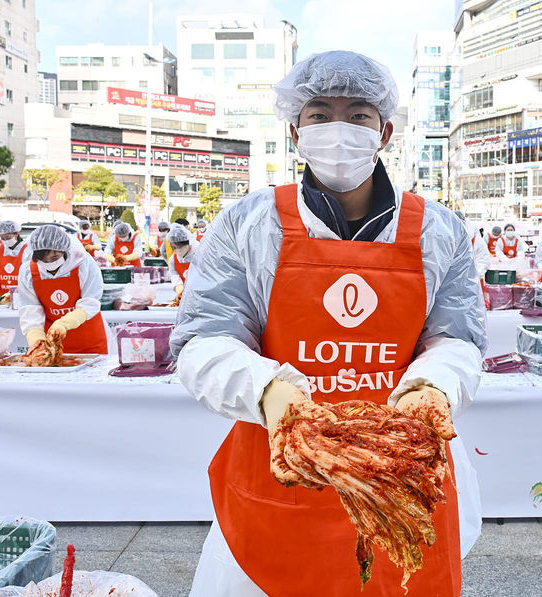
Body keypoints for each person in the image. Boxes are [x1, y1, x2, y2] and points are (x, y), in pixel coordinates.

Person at [171, 49, 484, 597]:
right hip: (281, 466)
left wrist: (433, 386)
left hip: (403, 468)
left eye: (358, 114)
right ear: (296, 131)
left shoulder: (439, 231)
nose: (339, 127)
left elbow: (457, 338)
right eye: (320, 114)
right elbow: (205, 338)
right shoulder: (249, 225)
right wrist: (269, 392)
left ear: (384, 131)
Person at [17, 225, 107, 355]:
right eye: (43, 259)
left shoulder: (83, 263)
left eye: (54, 257)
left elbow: (90, 303)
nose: (49, 263)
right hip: (51, 341)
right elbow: (30, 311)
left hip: (88, 338)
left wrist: (64, 324)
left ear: (65, 250)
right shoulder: (28, 272)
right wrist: (37, 342)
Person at [0, 220, 29, 300]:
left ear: (16, 234)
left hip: (21, 298)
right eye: (2, 238)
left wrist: (16, 291)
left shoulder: (27, 251)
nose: (5, 240)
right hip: (1, 298)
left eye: (8, 238)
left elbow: (30, 277)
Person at [455, 210, 490, 282]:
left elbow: (483, 261)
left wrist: (472, 277)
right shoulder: (448, 240)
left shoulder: (476, 241)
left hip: (474, 281)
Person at [166, 225, 199, 296]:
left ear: (188, 243)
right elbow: (174, 275)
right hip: (186, 295)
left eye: (180, 246)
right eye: (174, 247)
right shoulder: (173, 259)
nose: (177, 250)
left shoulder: (199, 254)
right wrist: (179, 287)